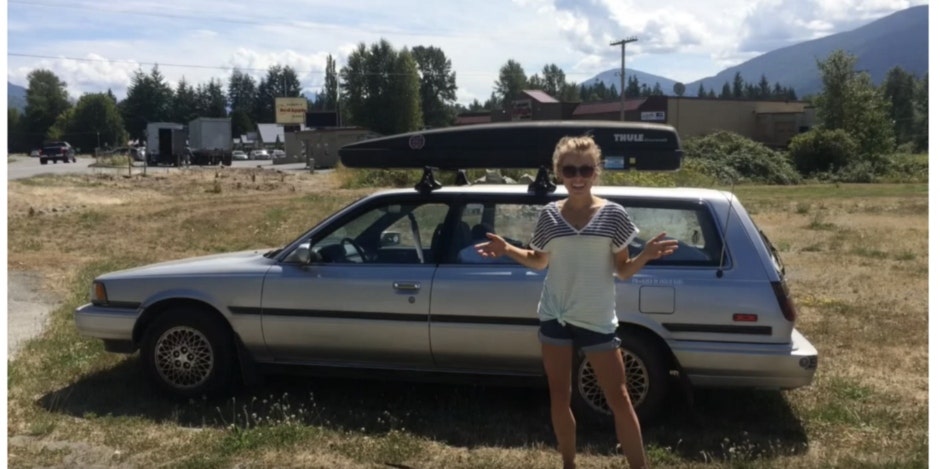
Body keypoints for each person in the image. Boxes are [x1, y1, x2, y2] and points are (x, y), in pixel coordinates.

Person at [475, 135, 678, 469]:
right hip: (555, 314)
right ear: (560, 173)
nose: (578, 177)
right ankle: (569, 464)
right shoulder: (549, 216)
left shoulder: (614, 214)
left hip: (596, 319)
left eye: (585, 169)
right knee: (560, 395)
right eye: (570, 170)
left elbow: (623, 271)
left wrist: (647, 255)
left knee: (621, 399)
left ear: (596, 172)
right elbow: (540, 261)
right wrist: (506, 249)